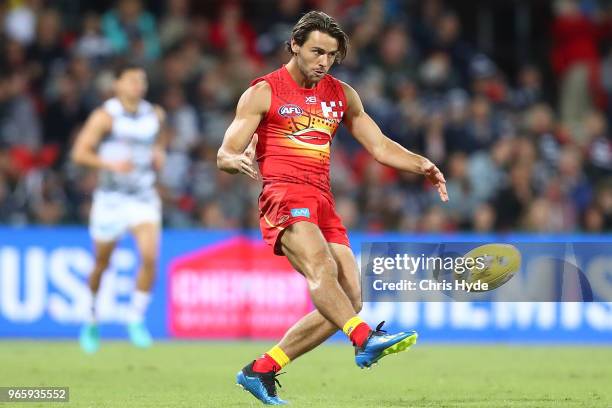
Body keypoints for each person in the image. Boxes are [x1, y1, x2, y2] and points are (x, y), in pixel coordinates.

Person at [217, 11, 448, 405]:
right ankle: (364, 339)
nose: (323, 61)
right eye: (316, 52)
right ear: (295, 45)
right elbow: (226, 149)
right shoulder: (264, 91)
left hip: (322, 200)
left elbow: (378, 145)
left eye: (331, 56)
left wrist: (421, 163)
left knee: (349, 300)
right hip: (284, 196)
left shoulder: (341, 95)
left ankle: (262, 369)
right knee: (322, 269)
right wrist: (231, 159)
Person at [71, 63, 167, 353]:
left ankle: (135, 318)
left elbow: (160, 138)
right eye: (132, 80)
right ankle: (90, 318)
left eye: (142, 80)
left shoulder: (155, 114)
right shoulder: (105, 116)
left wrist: (159, 152)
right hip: (111, 198)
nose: (138, 85)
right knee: (102, 263)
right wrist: (109, 164)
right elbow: (79, 153)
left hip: (142, 196)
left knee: (150, 257)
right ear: (117, 85)